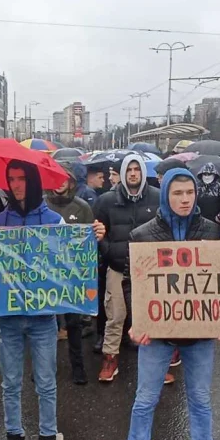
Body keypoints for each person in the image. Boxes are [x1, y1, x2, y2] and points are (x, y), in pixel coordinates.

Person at [0, 160, 104, 440]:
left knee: (46, 383)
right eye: (11, 179)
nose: (16, 185)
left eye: (21, 179)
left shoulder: (53, 221)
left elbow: (72, 258)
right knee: (10, 383)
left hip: (43, 318)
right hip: (9, 318)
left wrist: (92, 236)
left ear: (32, 181)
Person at [120, 169, 220, 440]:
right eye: (177, 193)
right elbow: (133, 283)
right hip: (158, 334)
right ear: (165, 196)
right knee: (146, 400)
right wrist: (138, 321)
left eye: (190, 192)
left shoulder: (212, 232)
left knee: (201, 401)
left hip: (199, 334)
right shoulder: (143, 235)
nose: (185, 199)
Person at [94, 153, 160, 382]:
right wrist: (108, 250)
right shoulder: (106, 200)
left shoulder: (157, 198)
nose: (133, 173)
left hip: (150, 268)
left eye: (137, 169)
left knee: (152, 314)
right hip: (118, 266)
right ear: (122, 173)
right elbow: (98, 231)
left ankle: (157, 363)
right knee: (116, 315)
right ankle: (110, 358)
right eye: (129, 169)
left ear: (143, 172)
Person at [44, 164, 95, 384]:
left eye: (63, 178)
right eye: (55, 178)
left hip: (73, 273)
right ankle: (44, 369)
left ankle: (78, 367)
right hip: (45, 272)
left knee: (73, 323)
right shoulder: (42, 206)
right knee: (47, 323)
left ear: (71, 181)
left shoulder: (82, 207)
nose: (60, 182)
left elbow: (90, 240)